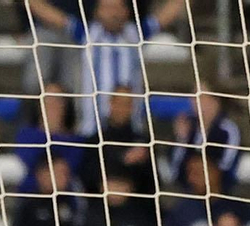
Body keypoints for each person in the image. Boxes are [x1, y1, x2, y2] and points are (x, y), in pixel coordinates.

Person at [24, 0, 186, 137]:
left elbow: (166, 15)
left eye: (117, 7)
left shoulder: (135, 34)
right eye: (107, 8)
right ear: (97, 12)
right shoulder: (87, 34)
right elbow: (52, 16)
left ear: (126, 11)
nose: (113, 13)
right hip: (91, 130)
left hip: (129, 131)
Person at [168, 87, 243, 194]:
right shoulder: (189, 127)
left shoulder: (228, 130)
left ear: (215, 101)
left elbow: (226, 165)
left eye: (202, 97)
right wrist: (182, 139)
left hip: (220, 192)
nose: (196, 102)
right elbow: (175, 169)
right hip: (189, 191)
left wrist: (204, 170)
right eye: (194, 97)